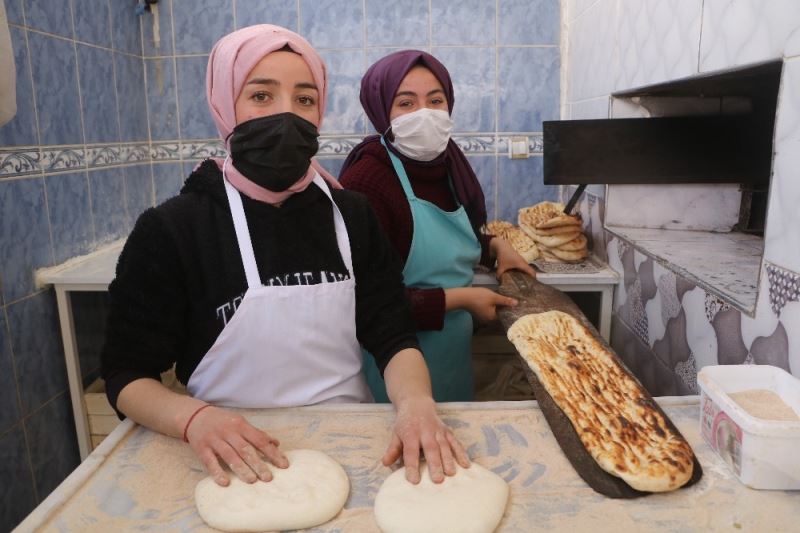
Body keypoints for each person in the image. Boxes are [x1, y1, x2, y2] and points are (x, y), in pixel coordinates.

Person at [101, 26, 468, 488]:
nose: (286, 116)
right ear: (224, 103)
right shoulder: (174, 229)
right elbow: (126, 373)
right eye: (260, 95)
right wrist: (194, 420)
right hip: (226, 453)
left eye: (304, 99)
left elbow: (393, 335)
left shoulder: (351, 214)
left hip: (348, 444)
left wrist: (417, 405)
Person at [339, 50, 536, 403]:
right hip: (391, 361)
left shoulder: (446, 165)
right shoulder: (368, 181)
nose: (425, 114)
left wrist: (495, 247)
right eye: (406, 103)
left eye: (435, 100)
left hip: (450, 352)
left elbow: (451, 238)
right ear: (381, 109)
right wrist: (465, 298)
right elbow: (364, 302)